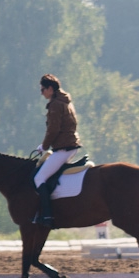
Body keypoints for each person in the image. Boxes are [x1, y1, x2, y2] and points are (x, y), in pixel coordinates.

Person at [33, 74, 82, 227]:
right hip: (70, 146)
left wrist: (44, 146)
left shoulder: (55, 104)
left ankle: (47, 216)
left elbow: (53, 130)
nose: (41, 93)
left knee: (39, 178)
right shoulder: (65, 101)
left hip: (63, 148)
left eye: (43, 89)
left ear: (50, 89)